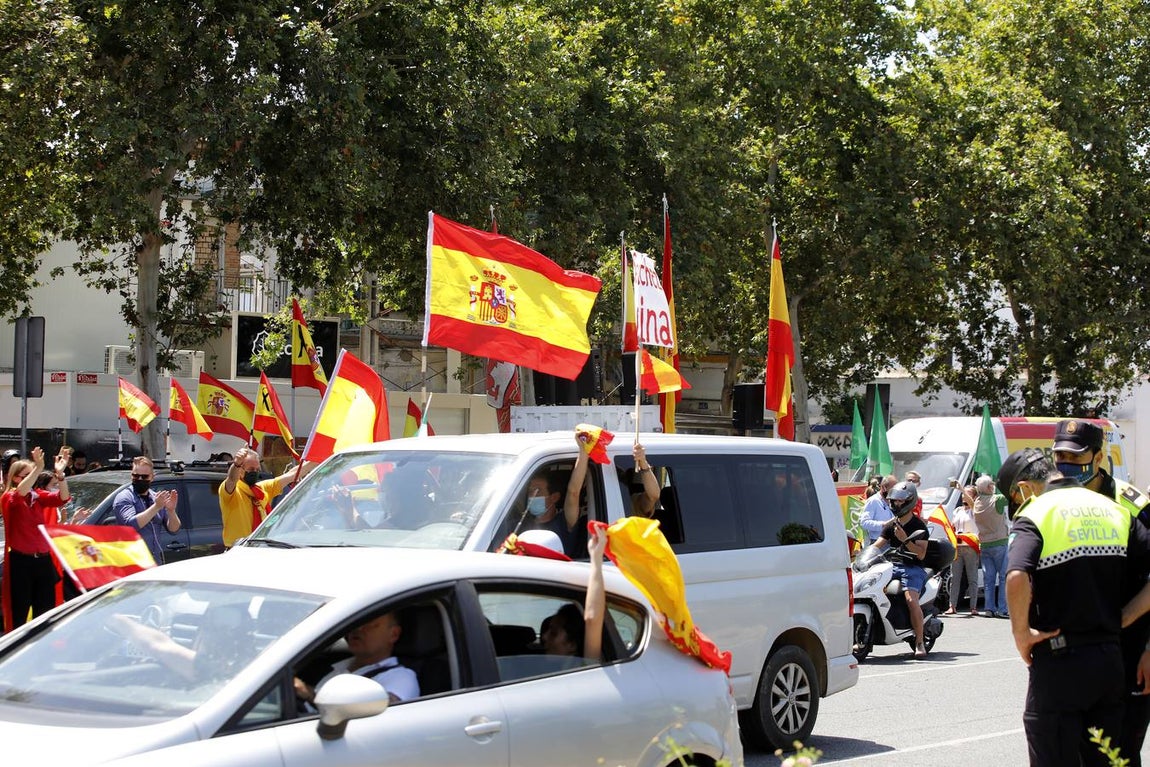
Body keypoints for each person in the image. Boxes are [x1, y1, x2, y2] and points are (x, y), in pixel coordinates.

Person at [1002, 447, 1150, 767]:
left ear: (1024, 488)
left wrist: (1021, 635)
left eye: (1014, 499)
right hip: (1110, 662)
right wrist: (1124, 617)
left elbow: (1016, 576)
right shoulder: (1115, 510)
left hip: (1058, 664)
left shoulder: (1036, 514)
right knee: (1106, 760)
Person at [1053, 418, 1150, 765]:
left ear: (1098, 458)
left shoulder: (1133, 505)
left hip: (1130, 649)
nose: (1066, 465)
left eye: (1075, 457)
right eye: (1059, 456)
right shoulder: (1052, 501)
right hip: (1071, 652)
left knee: (1119, 753)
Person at [1, 447, 71, 630]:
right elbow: (20, 493)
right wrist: (38, 468)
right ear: (16, 478)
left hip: (43, 561)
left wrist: (61, 475)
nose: (32, 478)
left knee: (45, 613)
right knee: (19, 613)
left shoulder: (38, 496)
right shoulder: (9, 497)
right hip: (21, 562)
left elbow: (63, 498)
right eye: (26, 475)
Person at [294, 612, 420, 706]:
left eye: (370, 624)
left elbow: (377, 712)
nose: (358, 629)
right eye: (356, 623)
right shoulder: (339, 665)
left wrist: (309, 695)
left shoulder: (401, 678)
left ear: (393, 634)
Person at [873, 480, 930, 658]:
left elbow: (921, 554)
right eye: (894, 501)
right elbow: (877, 545)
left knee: (911, 600)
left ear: (909, 502)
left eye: (900, 501)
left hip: (912, 568)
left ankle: (919, 642)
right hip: (891, 566)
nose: (896, 504)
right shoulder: (891, 525)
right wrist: (861, 555)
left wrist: (905, 539)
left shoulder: (919, 526)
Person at [219, 446, 314, 548]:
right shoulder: (232, 491)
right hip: (238, 551)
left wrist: (318, 460)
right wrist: (236, 464)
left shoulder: (262, 489)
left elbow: (292, 474)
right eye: (251, 469)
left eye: (257, 469)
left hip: (261, 549)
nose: (255, 472)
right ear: (240, 470)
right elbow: (232, 479)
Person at [539, 527, 607, 660]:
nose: (543, 637)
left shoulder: (587, 668)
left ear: (572, 645)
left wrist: (596, 559)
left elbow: (592, 619)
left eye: (553, 633)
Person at [112, 456, 180, 565]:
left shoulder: (156, 497)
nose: (139, 479)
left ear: (152, 477)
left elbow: (174, 530)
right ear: (131, 475)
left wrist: (171, 511)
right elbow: (131, 525)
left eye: (144, 477)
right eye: (136, 476)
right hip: (132, 563)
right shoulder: (124, 497)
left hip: (155, 562)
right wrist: (156, 507)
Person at [972, 474, 1010, 618]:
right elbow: (1011, 495)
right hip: (1000, 542)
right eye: (991, 485)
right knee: (1003, 577)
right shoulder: (997, 500)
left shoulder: (977, 502)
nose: (993, 487)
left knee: (989, 579)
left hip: (985, 544)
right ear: (988, 487)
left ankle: (989, 608)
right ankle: (1002, 609)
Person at [946, 485, 980, 616]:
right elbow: (952, 526)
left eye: (967, 494)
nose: (963, 496)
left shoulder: (974, 509)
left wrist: (961, 489)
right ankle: (952, 605)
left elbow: (972, 505)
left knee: (972, 577)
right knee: (955, 577)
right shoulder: (957, 510)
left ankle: (973, 607)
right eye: (962, 494)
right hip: (957, 547)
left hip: (970, 547)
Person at [859, 474, 896, 546]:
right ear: (884, 487)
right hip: (876, 542)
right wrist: (884, 525)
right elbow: (864, 522)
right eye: (893, 489)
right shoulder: (873, 501)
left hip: (891, 542)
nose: (895, 492)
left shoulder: (894, 502)